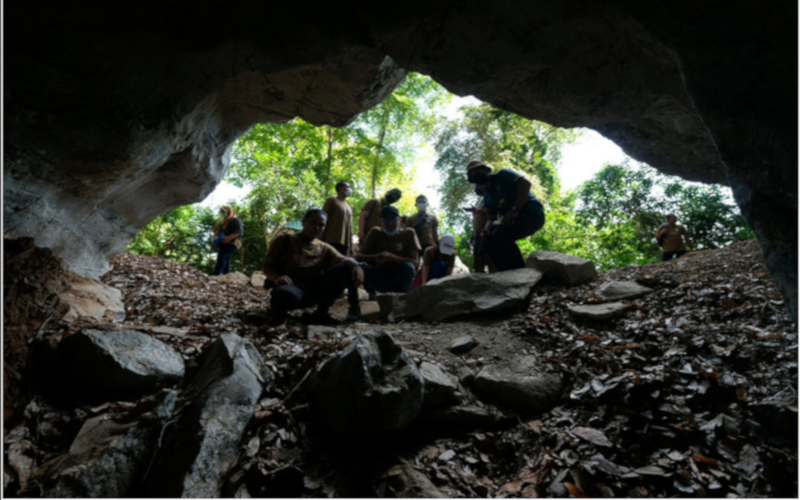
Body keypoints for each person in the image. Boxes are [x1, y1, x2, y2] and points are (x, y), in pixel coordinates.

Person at [262, 209, 364, 325]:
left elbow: (344, 259)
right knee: (283, 295)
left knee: (345, 268)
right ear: (304, 222)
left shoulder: (324, 247)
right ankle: (278, 313)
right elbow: (267, 267)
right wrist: (277, 278)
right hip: (291, 286)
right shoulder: (285, 240)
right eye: (313, 222)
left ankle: (321, 313)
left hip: (314, 289)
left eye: (321, 225)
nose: (316, 227)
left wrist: (357, 266)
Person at [466, 161, 545, 272]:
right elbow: (491, 218)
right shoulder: (488, 197)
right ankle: (507, 273)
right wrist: (486, 229)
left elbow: (526, 184)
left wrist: (515, 209)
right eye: (472, 174)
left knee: (500, 234)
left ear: (486, 170)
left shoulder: (503, 175)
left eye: (478, 171)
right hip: (514, 221)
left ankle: (521, 271)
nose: (476, 175)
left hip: (532, 213)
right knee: (486, 242)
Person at [356, 205, 421, 294]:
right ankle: (363, 298)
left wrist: (393, 257)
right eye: (386, 220)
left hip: (398, 276)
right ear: (380, 221)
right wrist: (377, 256)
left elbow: (415, 262)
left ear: (400, 221)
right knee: (356, 264)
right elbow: (358, 255)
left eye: (393, 220)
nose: (390, 224)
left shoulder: (409, 233)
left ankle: (402, 298)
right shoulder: (375, 232)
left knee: (408, 267)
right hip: (379, 276)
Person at [321, 181, 360, 320]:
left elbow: (350, 229)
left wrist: (350, 246)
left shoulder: (349, 207)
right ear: (339, 189)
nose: (349, 189)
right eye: (347, 187)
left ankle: (354, 307)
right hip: (331, 242)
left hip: (344, 245)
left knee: (348, 273)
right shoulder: (332, 201)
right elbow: (322, 221)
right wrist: (321, 242)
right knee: (331, 274)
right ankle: (323, 308)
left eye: (350, 186)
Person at [462, 197, 491, 273]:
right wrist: (472, 238)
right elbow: (477, 223)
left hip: (487, 235)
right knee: (478, 263)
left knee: (490, 260)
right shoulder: (479, 202)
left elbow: (492, 215)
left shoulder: (490, 199)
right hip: (477, 237)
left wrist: (476, 210)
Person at [212, 205, 244, 275]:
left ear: (229, 211)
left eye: (224, 210)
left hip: (232, 243)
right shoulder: (224, 222)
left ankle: (216, 276)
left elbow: (238, 232)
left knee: (222, 259)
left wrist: (228, 239)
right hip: (224, 244)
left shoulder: (236, 220)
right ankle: (227, 276)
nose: (222, 212)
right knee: (225, 261)